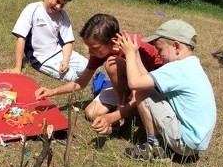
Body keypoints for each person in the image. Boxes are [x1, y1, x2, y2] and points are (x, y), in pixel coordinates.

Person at [35, 14, 163, 135]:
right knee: (92, 113)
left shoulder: (135, 48)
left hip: (150, 89)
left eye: (94, 47)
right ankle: (122, 105)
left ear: (113, 41)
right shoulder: (99, 51)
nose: (90, 51)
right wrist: (52, 91)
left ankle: (126, 113)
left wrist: (111, 117)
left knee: (112, 64)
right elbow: (81, 82)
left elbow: (139, 94)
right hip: (129, 87)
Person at [119, 19, 216, 160]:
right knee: (146, 89)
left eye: (160, 50)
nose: (158, 55)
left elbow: (135, 83)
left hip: (185, 143)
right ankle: (162, 144)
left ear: (176, 46)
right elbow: (145, 79)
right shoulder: (190, 65)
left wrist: (128, 54)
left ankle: (154, 147)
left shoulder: (177, 69)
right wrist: (135, 54)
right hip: (195, 144)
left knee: (141, 92)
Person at [3, 0, 88, 81]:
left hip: (59, 52)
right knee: (72, 76)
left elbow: (68, 42)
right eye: (57, 1)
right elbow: (21, 38)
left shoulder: (62, 15)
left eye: (63, 5)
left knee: (86, 66)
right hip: (41, 57)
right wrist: (17, 67)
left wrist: (65, 61)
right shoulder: (32, 9)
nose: (58, 7)